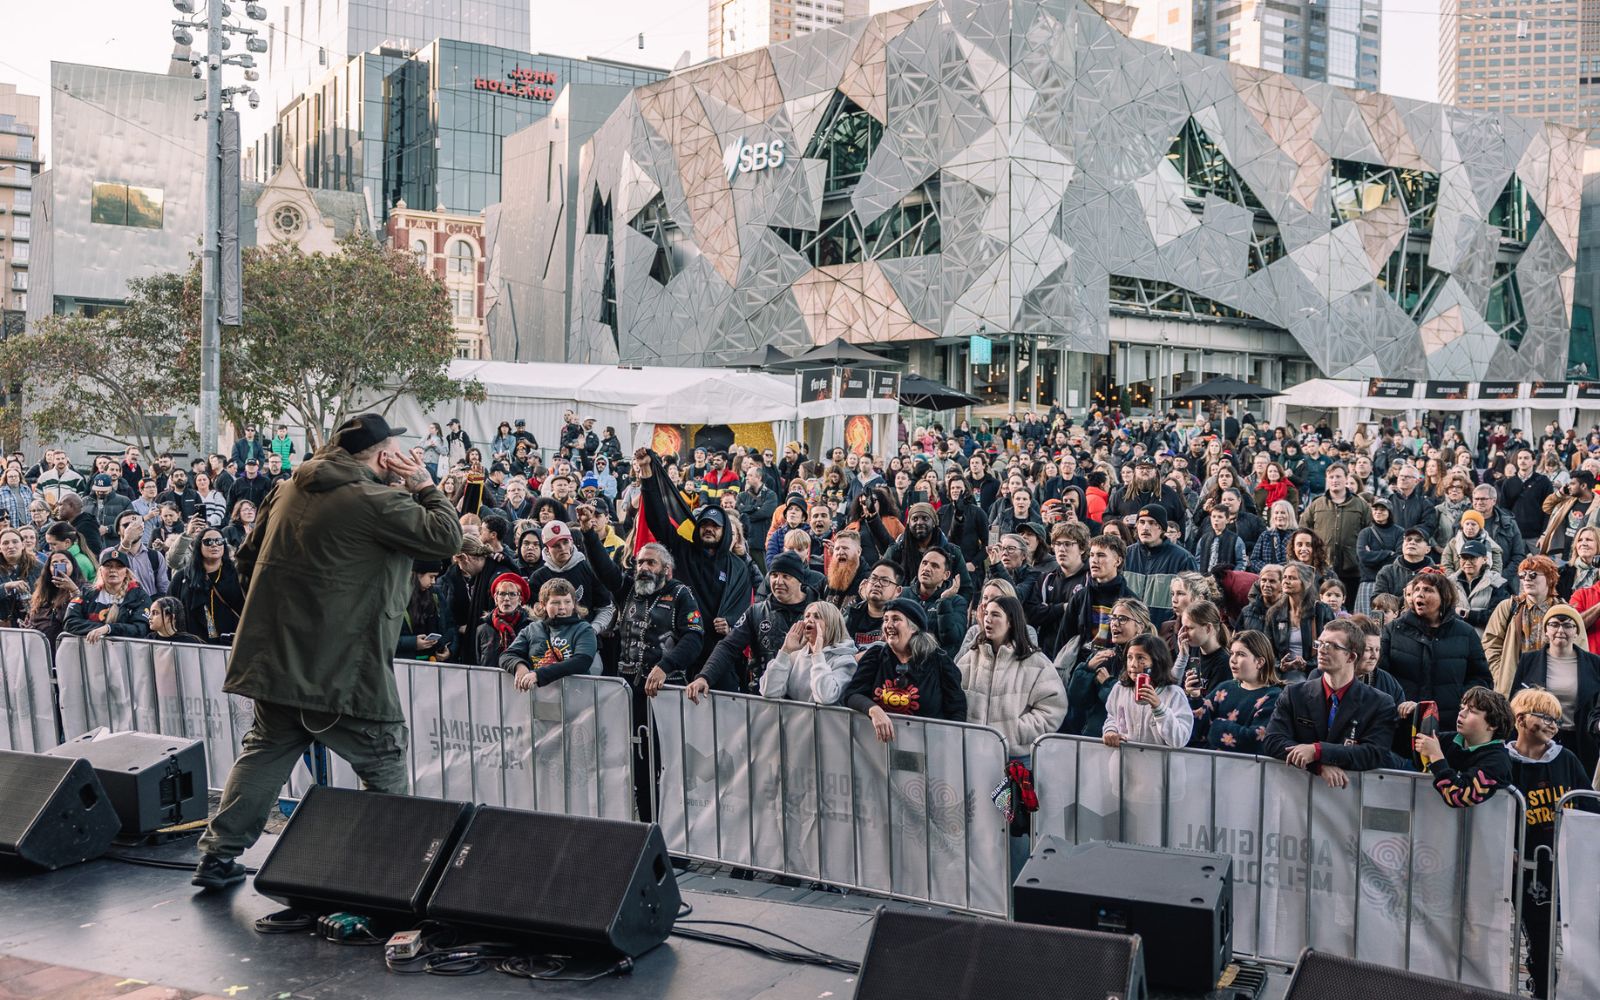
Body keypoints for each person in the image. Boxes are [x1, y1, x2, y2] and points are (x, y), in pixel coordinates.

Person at [193, 413, 461, 890]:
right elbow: (446, 537)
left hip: (277, 658)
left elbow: (246, 560)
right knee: (384, 758)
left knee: (264, 752)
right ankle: (386, 874)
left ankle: (217, 856)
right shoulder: (374, 500)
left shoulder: (286, 489)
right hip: (343, 668)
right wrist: (423, 484)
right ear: (384, 457)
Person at [1507, 687, 1595, 999]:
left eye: (1556, 720)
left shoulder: (1566, 759)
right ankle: (1541, 984)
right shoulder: (1503, 760)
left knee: (1552, 930)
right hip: (1521, 863)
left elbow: (1588, 803)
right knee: (1536, 930)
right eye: (1545, 717)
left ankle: (1548, 987)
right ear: (1521, 719)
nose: (1552, 725)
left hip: (1558, 861)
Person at [1264, 618, 1398, 787]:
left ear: (1351, 656)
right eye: (1320, 643)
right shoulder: (1294, 694)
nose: (1322, 650)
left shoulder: (1380, 703)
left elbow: (1374, 753)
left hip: (1352, 793)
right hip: (1297, 791)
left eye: (1332, 646)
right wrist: (1318, 765)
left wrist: (1318, 750)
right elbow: (1273, 740)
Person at [1384, 570, 1495, 758]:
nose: (1419, 594)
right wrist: (1400, 703)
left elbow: (1481, 678)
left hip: (1448, 727)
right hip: (1402, 726)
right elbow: (1382, 677)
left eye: (1428, 590)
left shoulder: (1465, 633)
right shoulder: (1394, 630)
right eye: (1417, 589)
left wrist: (1461, 700)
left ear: (1444, 596)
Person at [844, 597, 968, 740]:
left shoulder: (938, 660)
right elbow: (853, 694)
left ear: (914, 628)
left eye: (896, 619)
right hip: (879, 746)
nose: (888, 625)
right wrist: (873, 709)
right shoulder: (875, 656)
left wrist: (948, 742)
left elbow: (957, 709)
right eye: (885, 619)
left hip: (927, 745)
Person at [691, 551, 813, 696]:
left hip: (804, 700)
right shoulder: (756, 612)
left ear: (799, 580)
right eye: (774, 575)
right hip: (764, 698)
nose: (778, 581)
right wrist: (705, 677)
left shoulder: (818, 612)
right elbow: (728, 646)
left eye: (786, 576)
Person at [1509, 604, 1600, 774]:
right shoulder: (1529, 660)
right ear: (1546, 630)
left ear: (1577, 631)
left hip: (1580, 740)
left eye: (1568, 625)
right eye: (1554, 624)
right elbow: (1515, 703)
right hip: (1538, 738)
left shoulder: (1594, 663)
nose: (1560, 630)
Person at [1412, 685, 1513, 809]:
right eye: (1462, 708)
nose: (1461, 713)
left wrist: (1435, 756)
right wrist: (1414, 716)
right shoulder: (1448, 740)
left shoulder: (1498, 761)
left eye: (1471, 711)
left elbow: (1459, 795)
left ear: (1493, 724)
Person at [1065, 596, 1153, 737]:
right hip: (1095, 738)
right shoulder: (1103, 657)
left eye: (1122, 619)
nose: (1114, 623)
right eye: (1112, 618)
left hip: (1129, 739)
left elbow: (1137, 706)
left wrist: (1107, 684)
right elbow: (1077, 701)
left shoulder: (1150, 661)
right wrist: (1087, 669)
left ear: (1140, 626)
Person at [498, 578, 600, 691]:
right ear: (543, 604)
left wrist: (539, 675)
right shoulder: (532, 629)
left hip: (575, 694)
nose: (562, 607)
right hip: (539, 696)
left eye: (567, 602)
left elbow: (582, 661)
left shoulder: (584, 629)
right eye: (556, 602)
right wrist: (519, 666)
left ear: (573, 604)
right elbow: (506, 656)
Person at [1191, 629, 1282, 752]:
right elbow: (1194, 729)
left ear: (1260, 662)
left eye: (1241, 654)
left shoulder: (1273, 697)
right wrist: (1195, 698)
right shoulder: (1224, 688)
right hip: (1209, 763)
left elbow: (1254, 740)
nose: (1233, 660)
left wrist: (1214, 726)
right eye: (1232, 653)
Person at [1101, 634, 1194, 749]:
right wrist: (1110, 731)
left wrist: (1159, 708)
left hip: (1159, 760)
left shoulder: (1174, 694)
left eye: (1140, 658)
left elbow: (1179, 739)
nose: (1133, 664)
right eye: (1130, 657)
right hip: (1125, 758)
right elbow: (1112, 717)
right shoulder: (1120, 688)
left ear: (1157, 661)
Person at [1484, 556, 1561, 693]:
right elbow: (1490, 644)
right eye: (1522, 575)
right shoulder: (1508, 607)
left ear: (1550, 579)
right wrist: (1501, 675)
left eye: (1533, 575)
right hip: (1514, 688)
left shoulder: (1563, 611)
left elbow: (1577, 649)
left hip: (1551, 689)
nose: (1527, 579)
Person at [759, 601, 859, 704]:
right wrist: (785, 651)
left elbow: (826, 697)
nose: (809, 620)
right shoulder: (795, 655)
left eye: (817, 616)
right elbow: (769, 691)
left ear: (831, 624)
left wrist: (818, 655)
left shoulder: (845, 660)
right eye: (807, 616)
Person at [167, 526, 246, 645]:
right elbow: (170, 608)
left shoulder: (237, 575)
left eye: (219, 541)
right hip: (192, 644)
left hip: (231, 643)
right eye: (208, 542)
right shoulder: (183, 577)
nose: (214, 545)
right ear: (199, 546)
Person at [1123, 503, 1198, 627]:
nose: (1145, 527)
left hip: (1165, 632)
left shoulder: (1183, 558)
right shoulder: (1125, 555)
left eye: (1152, 523)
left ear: (1162, 528)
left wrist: (1176, 626)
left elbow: (1195, 601)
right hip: (1129, 629)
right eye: (1141, 522)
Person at [62, 549, 152, 643]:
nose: (113, 570)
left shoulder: (140, 596)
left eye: (119, 566)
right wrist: (101, 629)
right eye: (108, 566)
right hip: (90, 649)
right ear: (100, 570)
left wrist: (109, 629)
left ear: (126, 572)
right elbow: (69, 622)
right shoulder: (86, 593)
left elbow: (141, 628)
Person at [1263, 562, 1333, 680]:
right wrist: (1280, 666)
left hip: (1316, 670)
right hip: (1282, 673)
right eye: (1284, 577)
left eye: (1292, 578)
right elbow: (1267, 649)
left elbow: (1330, 647)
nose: (1286, 581)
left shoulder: (1321, 610)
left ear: (1306, 583)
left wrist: (1306, 665)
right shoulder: (1274, 613)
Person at [397, 560, 454, 661]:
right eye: (431, 577)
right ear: (417, 575)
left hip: (432, 661)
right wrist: (413, 642)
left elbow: (451, 626)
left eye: (435, 577)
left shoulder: (436, 594)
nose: (433, 582)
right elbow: (384, 637)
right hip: (403, 663)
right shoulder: (397, 597)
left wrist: (450, 650)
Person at [25, 548, 85, 644]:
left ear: (73, 565)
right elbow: (34, 615)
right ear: (49, 568)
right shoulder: (44, 589)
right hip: (40, 644)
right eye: (54, 563)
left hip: (66, 643)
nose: (59, 566)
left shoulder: (83, 588)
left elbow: (78, 616)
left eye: (64, 562)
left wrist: (73, 590)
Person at [476, 572, 534, 668]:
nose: (506, 598)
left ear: (520, 600)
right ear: (496, 599)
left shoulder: (531, 628)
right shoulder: (483, 629)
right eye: (502, 594)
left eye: (512, 594)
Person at [1451, 539, 1511, 630]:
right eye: (1464, 558)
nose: (1467, 562)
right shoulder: (1449, 583)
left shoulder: (1496, 583)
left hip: (1484, 636)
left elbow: (1499, 615)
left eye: (1473, 558)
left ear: (1485, 559)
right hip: (1455, 635)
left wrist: (1466, 614)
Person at [0, 527, 41, 628]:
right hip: (4, 627)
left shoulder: (38, 567)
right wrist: (6, 587)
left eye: (15, 542)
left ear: (22, 545)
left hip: (34, 625)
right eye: (5, 543)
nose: (10, 546)